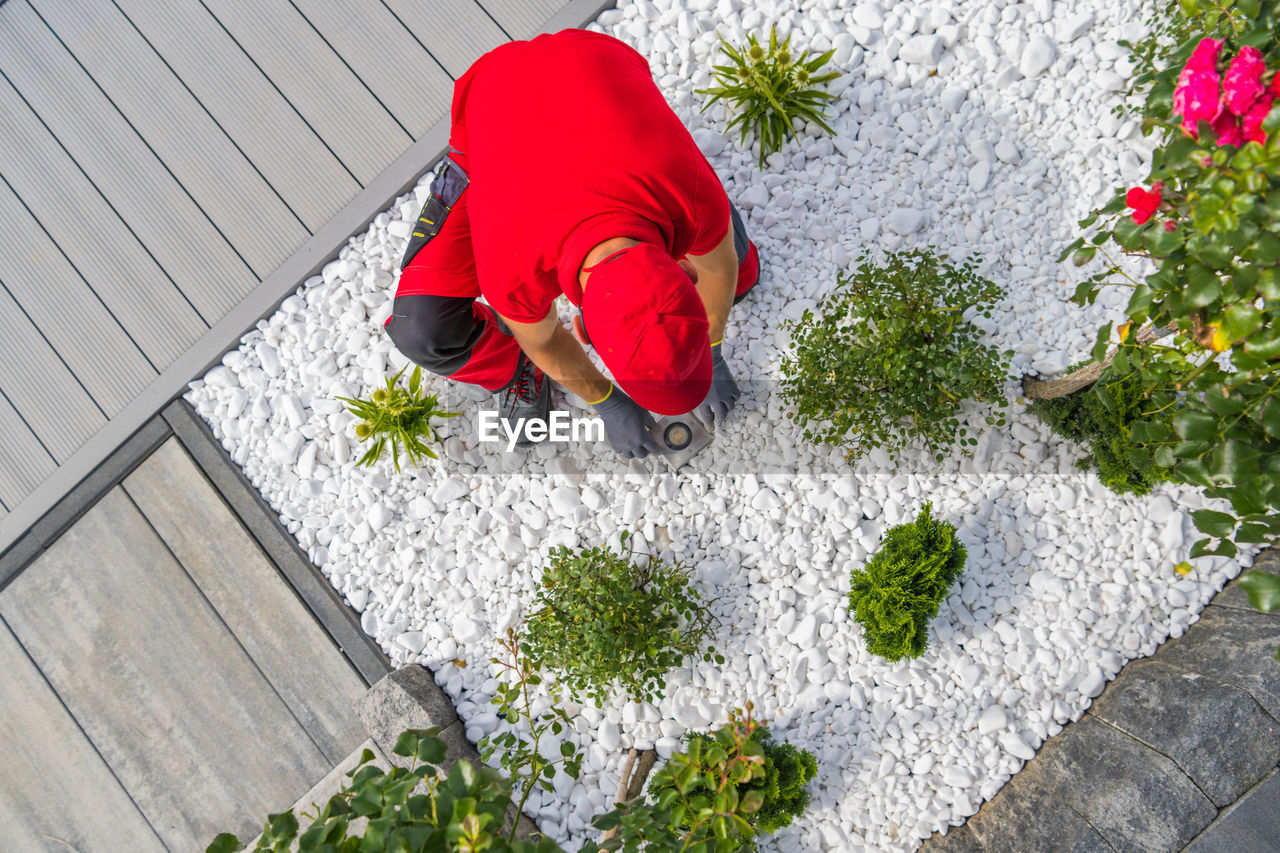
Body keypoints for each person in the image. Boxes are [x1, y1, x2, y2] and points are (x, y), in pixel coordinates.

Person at [384, 28, 760, 458]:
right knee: (422, 330)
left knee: (710, 223)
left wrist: (710, 347)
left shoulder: (686, 195)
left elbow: (718, 267)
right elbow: (543, 340)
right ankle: (513, 368)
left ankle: (724, 241)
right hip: (496, 93)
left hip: (592, 59)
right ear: (579, 330)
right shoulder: (512, 270)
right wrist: (607, 401)